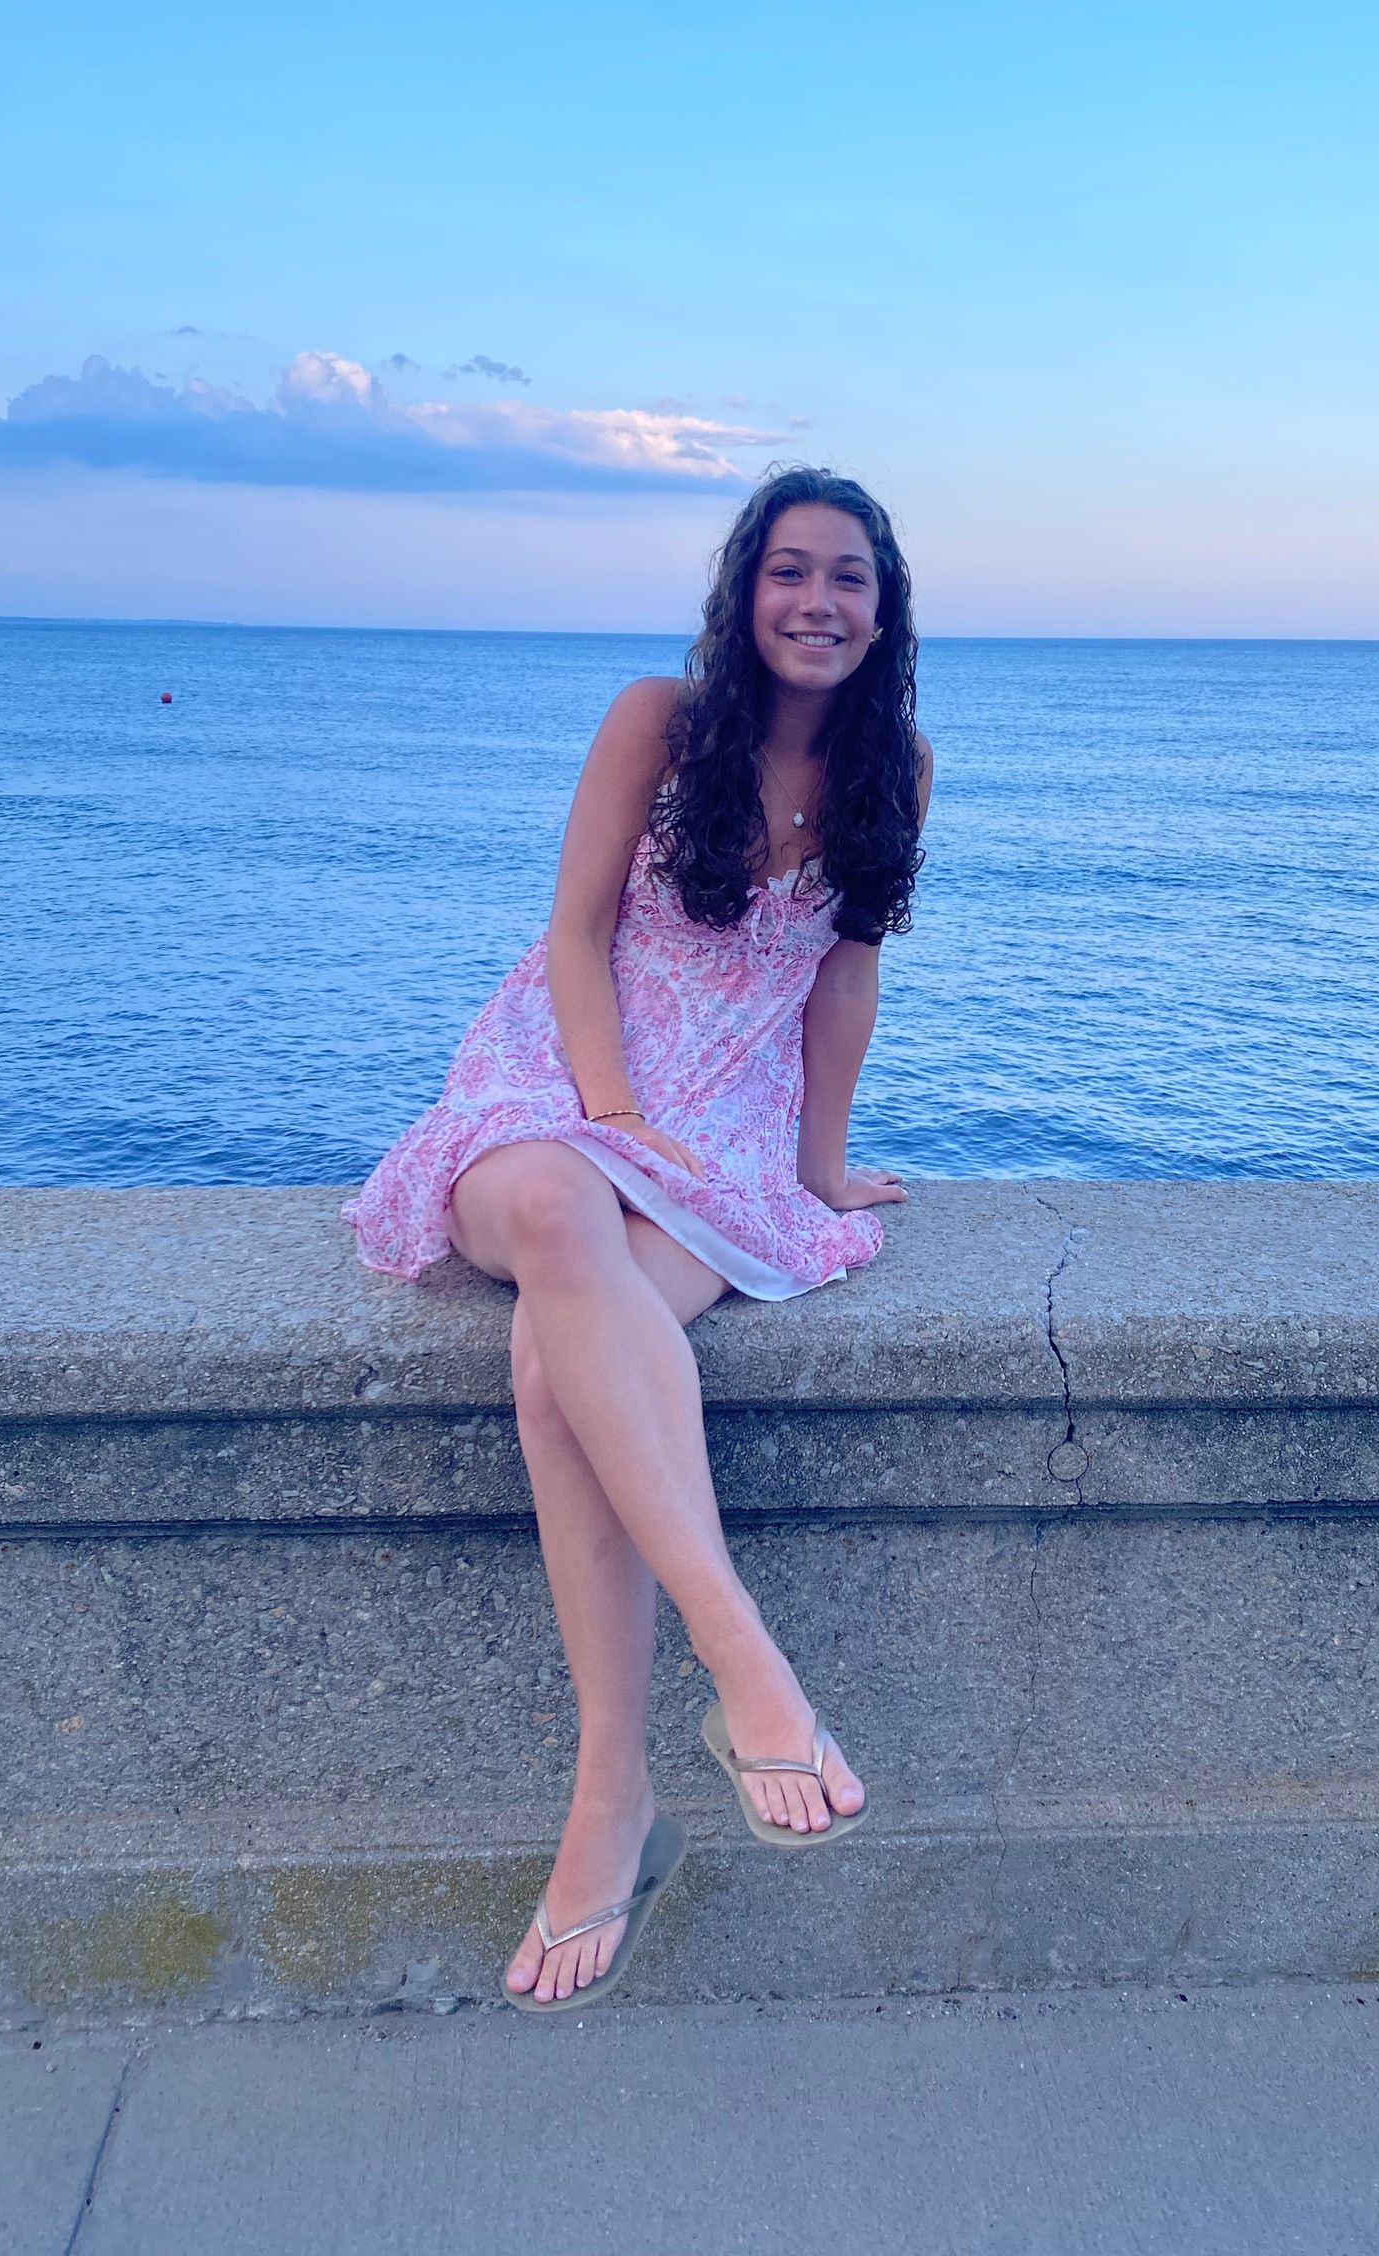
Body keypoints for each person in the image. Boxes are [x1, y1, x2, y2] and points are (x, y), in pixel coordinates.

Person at [344, 466, 931, 2010]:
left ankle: (614, 1799)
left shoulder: (902, 768)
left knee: (558, 1364)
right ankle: (749, 1670)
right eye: (791, 571)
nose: (820, 601)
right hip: (561, 1071)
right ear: (747, 591)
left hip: (725, 1130)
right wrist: (605, 1112)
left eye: (850, 578)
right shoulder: (657, 723)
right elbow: (573, 932)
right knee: (550, 1207)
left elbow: (841, 985)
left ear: (886, 607)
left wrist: (814, 1173)